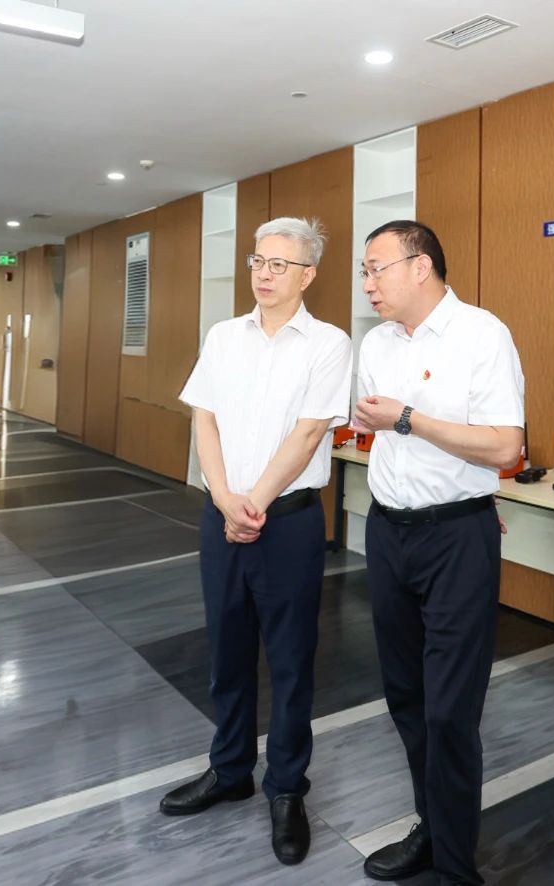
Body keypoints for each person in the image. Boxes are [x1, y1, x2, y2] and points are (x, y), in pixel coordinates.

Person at [160, 217, 352, 866]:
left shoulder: (328, 344)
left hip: (288, 522)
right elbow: (204, 419)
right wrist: (223, 498)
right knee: (227, 650)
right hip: (222, 516)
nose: (264, 274)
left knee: (291, 660)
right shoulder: (223, 336)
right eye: (258, 261)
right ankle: (230, 769)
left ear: (308, 275)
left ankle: (287, 788)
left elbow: (308, 434)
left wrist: (256, 502)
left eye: (280, 265)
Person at [351, 220, 525, 885]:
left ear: (420, 266)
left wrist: (408, 417)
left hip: (456, 538)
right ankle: (432, 827)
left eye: (377, 269)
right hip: (388, 532)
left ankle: (456, 869)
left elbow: (505, 446)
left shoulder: (482, 334)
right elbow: (377, 435)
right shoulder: (377, 343)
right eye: (365, 272)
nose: (368, 284)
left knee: (451, 710)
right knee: (406, 696)